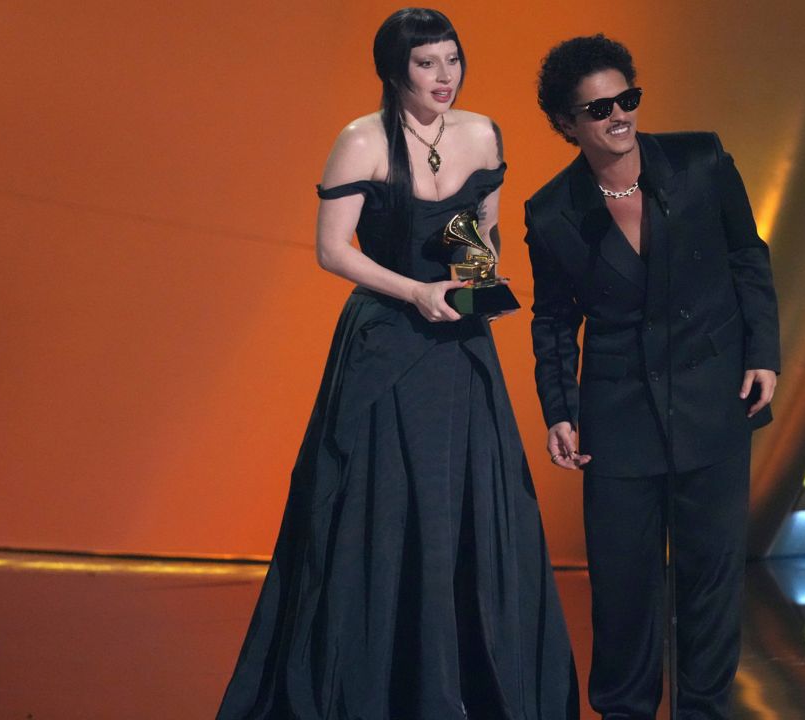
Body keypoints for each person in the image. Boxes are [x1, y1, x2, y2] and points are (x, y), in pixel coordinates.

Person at [216, 9, 578, 719]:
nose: (444, 77)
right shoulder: (360, 141)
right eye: (426, 64)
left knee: (467, 507)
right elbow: (333, 249)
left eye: (452, 60)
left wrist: (475, 282)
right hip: (387, 338)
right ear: (394, 70)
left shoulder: (481, 132)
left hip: (459, 345)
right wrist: (416, 290)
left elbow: (482, 226)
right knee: (378, 511)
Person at [523, 35, 781, 719]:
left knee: (710, 584)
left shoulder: (699, 162)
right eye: (600, 107)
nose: (619, 116)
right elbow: (551, 321)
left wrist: (763, 353)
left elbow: (746, 258)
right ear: (567, 123)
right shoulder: (551, 213)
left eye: (627, 99)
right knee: (624, 591)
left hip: (714, 403)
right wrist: (560, 409)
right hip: (619, 420)